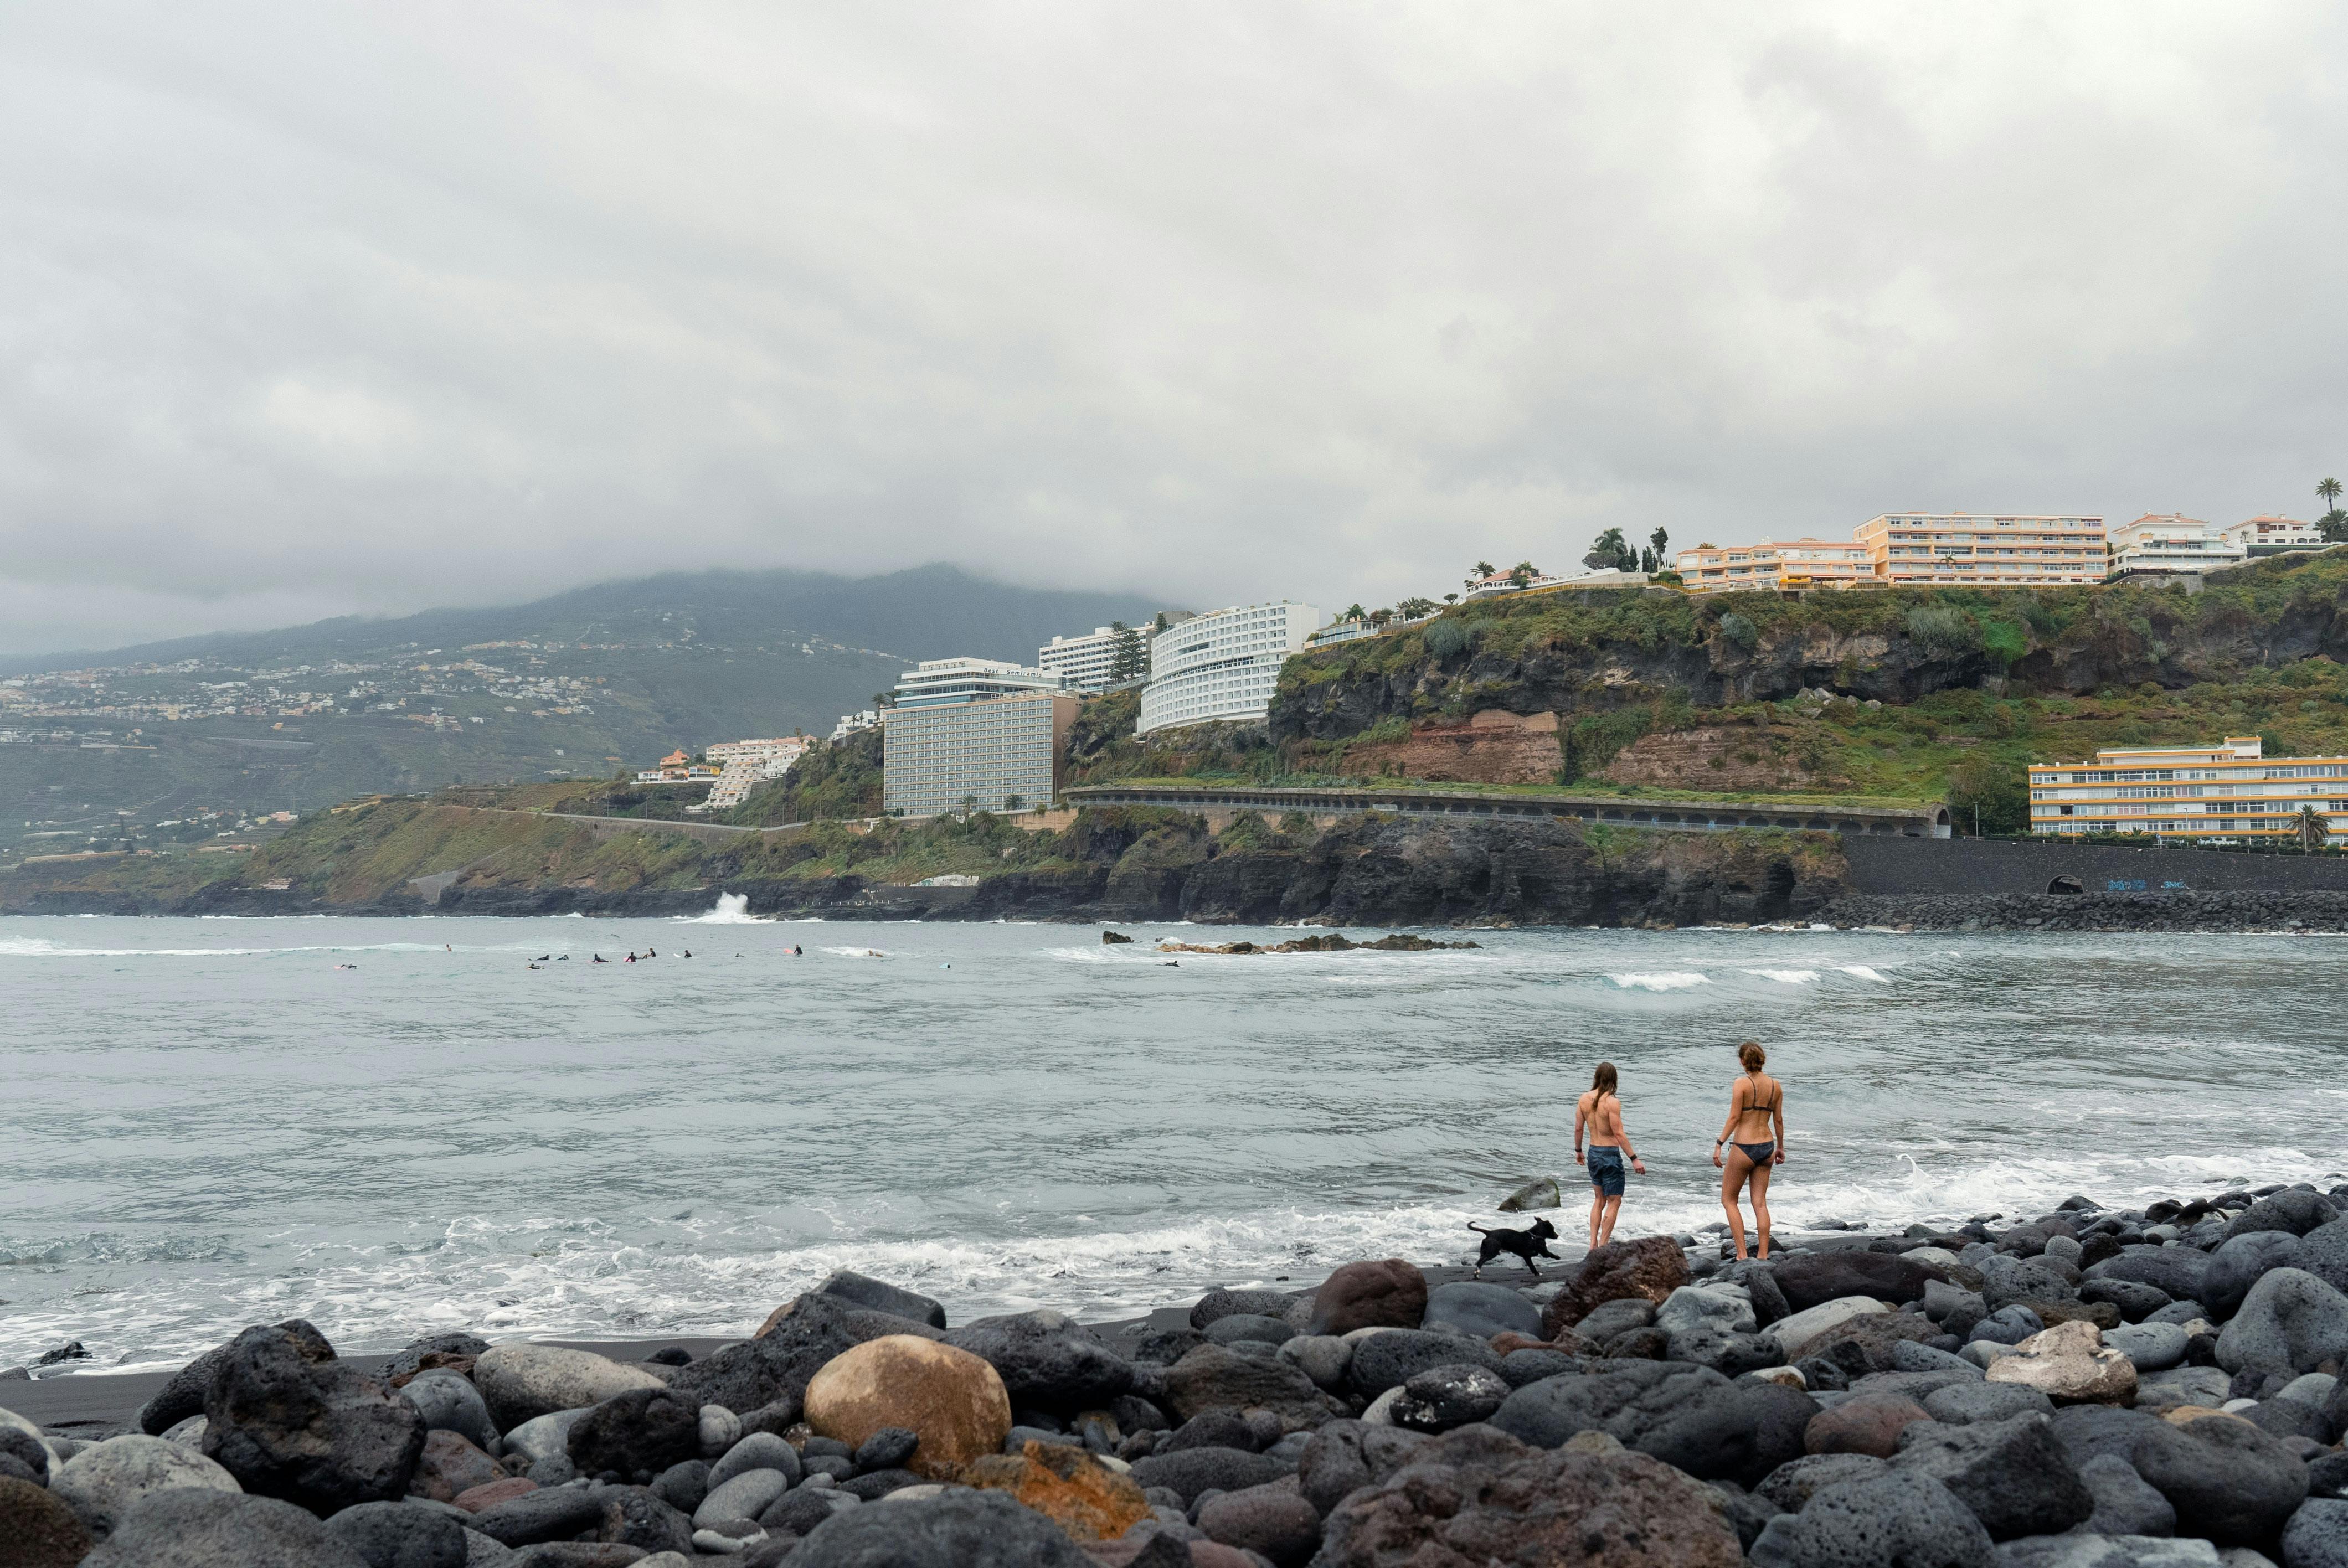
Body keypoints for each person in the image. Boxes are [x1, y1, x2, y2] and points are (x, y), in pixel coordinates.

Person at [1713, 1040, 1786, 1260]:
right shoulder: (1776, 1086)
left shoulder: (1741, 1084)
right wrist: (1780, 1147)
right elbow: (1779, 1120)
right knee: (1760, 1203)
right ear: (1762, 1060)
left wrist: (1719, 1143)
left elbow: (1735, 1117)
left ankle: (1742, 1255)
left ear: (1743, 1061)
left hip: (1744, 1147)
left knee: (1729, 1200)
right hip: (1767, 1147)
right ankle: (1763, 1254)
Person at [1573, 1062, 1646, 1250]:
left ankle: (1592, 1244)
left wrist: (1578, 1151)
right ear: (1614, 1080)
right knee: (1614, 1201)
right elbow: (1619, 1134)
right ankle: (1604, 1245)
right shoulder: (1612, 1102)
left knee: (1599, 1200)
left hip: (1593, 1153)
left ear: (1596, 1077)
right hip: (1610, 1155)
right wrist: (1634, 1158)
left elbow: (1579, 1128)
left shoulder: (1583, 1099)